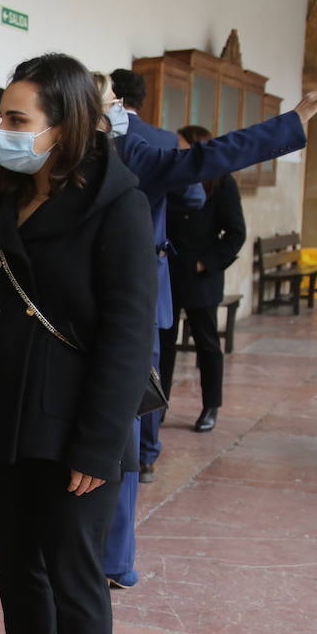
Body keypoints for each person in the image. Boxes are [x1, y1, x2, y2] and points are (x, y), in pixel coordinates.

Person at [0, 53, 156, 634]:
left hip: (75, 426)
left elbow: (127, 334)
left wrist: (99, 445)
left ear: (64, 125)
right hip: (2, 419)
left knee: (75, 578)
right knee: (16, 569)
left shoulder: (118, 205)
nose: (0, 131)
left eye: (17, 120)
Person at [96, 72, 317, 589]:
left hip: (129, 308)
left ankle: (115, 559)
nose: (110, 108)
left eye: (111, 99)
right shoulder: (49, 157)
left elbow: (211, 159)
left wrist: (295, 119)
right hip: (70, 316)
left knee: (120, 428)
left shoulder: (138, 153)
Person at [109, 69, 205, 486]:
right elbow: (195, 196)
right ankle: (146, 453)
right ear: (142, 99)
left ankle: (116, 454)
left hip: (98, 268)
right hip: (148, 267)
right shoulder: (165, 139)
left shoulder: (88, 137)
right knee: (147, 363)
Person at [162, 125, 247, 433]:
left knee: (207, 344)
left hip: (200, 277)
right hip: (168, 273)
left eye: (183, 145)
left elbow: (235, 233)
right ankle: (159, 405)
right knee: (164, 343)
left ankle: (211, 406)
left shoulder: (222, 183)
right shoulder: (171, 177)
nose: (178, 150)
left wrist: (204, 264)